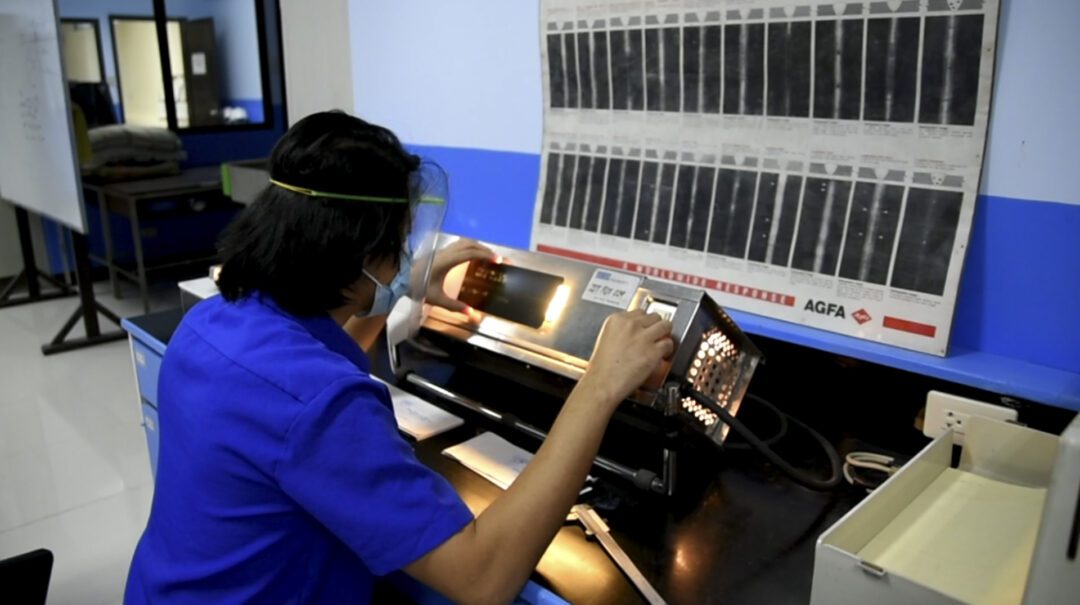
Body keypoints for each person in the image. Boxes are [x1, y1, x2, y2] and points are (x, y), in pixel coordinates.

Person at [124, 111, 673, 605]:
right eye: (401, 247)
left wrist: (399, 289)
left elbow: (313, 370)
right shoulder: (321, 406)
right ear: (360, 253)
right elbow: (483, 578)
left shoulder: (212, 322)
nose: (407, 259)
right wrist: (599, 386)